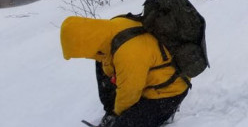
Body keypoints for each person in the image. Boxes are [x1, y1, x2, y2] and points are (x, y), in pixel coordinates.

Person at [60, 16, 189, 127]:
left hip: (169, 91)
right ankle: (111, 113)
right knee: (100, 60)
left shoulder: (128, 53)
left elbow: (130, 94)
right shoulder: (113, 25)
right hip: (150, 73)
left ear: (84, 43)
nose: (83, 56)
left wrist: (118, 115)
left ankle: (166, 113)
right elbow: (108, 63)